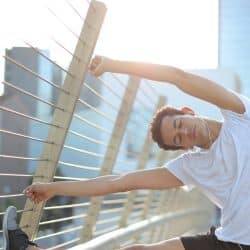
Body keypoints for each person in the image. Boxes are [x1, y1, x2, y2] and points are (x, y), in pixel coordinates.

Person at [3, 56, 250, 250]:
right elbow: (121, 182)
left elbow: (178, 77)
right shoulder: (192, 166)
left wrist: (114, 65)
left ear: (187, 112)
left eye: (179, 125)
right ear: (183, 148)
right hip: (229, 242)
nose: (185, 133)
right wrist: (54, 188)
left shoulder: (240, 115)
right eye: (178, 139)